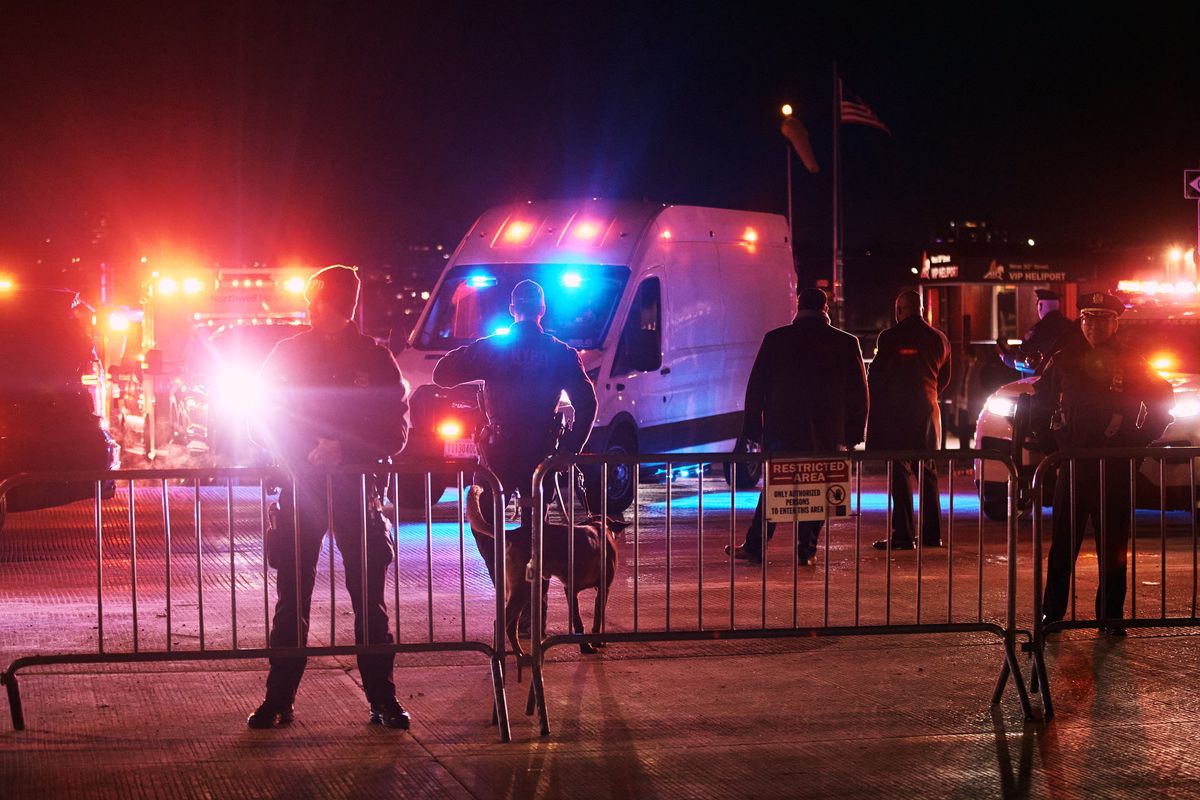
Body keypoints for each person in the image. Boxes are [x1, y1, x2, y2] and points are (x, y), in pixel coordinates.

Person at [247, 265, 412, 730]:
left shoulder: (376, 358)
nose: (311, 309)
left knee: (370, 603)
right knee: (290, 602)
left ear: (339, 304)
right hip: (301, 488)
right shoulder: (287, 354)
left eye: (318, 301)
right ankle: (278, 699)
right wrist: (307, 452)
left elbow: (396, 430)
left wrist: (345, 450)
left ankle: (382, 700)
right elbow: (259, 420)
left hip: (356, 489)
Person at [433, 279, 598, 579]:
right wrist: (567, 451)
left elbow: (441, 374)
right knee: (538, 536)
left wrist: (478, 348)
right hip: (542, 453)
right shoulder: (559, 352)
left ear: (512, 310)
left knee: (484, 524)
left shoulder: (493, 348)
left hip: (499, 453)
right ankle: (532, 606)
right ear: (542, 310)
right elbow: (587, 404)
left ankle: (505, 585)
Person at [1032, 291, 1173, 636]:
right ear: (1081, 321)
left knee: (1114, 548)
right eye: (1088, 318)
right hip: (1074, 466)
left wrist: (1135, 442)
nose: (1094, 325)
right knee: (1063, 546)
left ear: (1115, 322)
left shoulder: (1132, 361)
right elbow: (1038, 403)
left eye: (1102, 318)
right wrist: (1056, 446)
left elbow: (1162, 400)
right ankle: (1053, 615)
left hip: (1113, 468)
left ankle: (1111, 617)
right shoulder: (1064, 359)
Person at [726, 287, 868, 565]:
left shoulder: (776, 340)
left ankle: (756, 546)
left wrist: (752, 431)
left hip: (783, 431)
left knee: (778, 488)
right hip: (827, 434)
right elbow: (859, 392)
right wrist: (853, 434)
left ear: (798, 307)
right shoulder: (846, 343)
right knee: (820, 488)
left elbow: (756, 389)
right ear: (826, 309)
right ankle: (807, 550)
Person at [867, 290, 951, 550]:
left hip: (896, 415)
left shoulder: (890, 338)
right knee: (927, 473)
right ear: (922, 310)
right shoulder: (940, 339)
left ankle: (903, 535)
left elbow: (877, 376)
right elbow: (945, 378)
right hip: (928, 412)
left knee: (900, 474)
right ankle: (932, 535)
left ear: (900, 310)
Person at [997, 288, 1081, 374]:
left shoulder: (1038, 330)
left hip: (1043, 383)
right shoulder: (1071, 326)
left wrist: (1006, 359)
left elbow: (1024, 362)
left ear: (1040, 306)